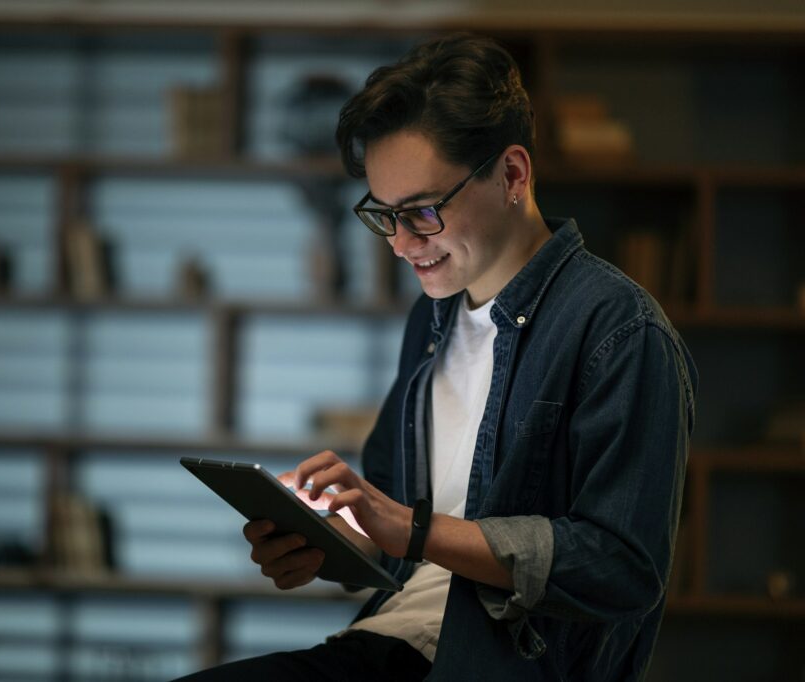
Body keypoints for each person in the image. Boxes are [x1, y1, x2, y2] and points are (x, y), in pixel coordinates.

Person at [176, 33, 697, 681]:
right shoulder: (432, 321)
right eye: (383, 215)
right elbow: (399, 536)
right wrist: (331, 543)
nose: (399, 244)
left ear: (512, 174)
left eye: (422, 211)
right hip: (389, 642)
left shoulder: (619, 330)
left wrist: (412, 529)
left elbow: (623, 567)